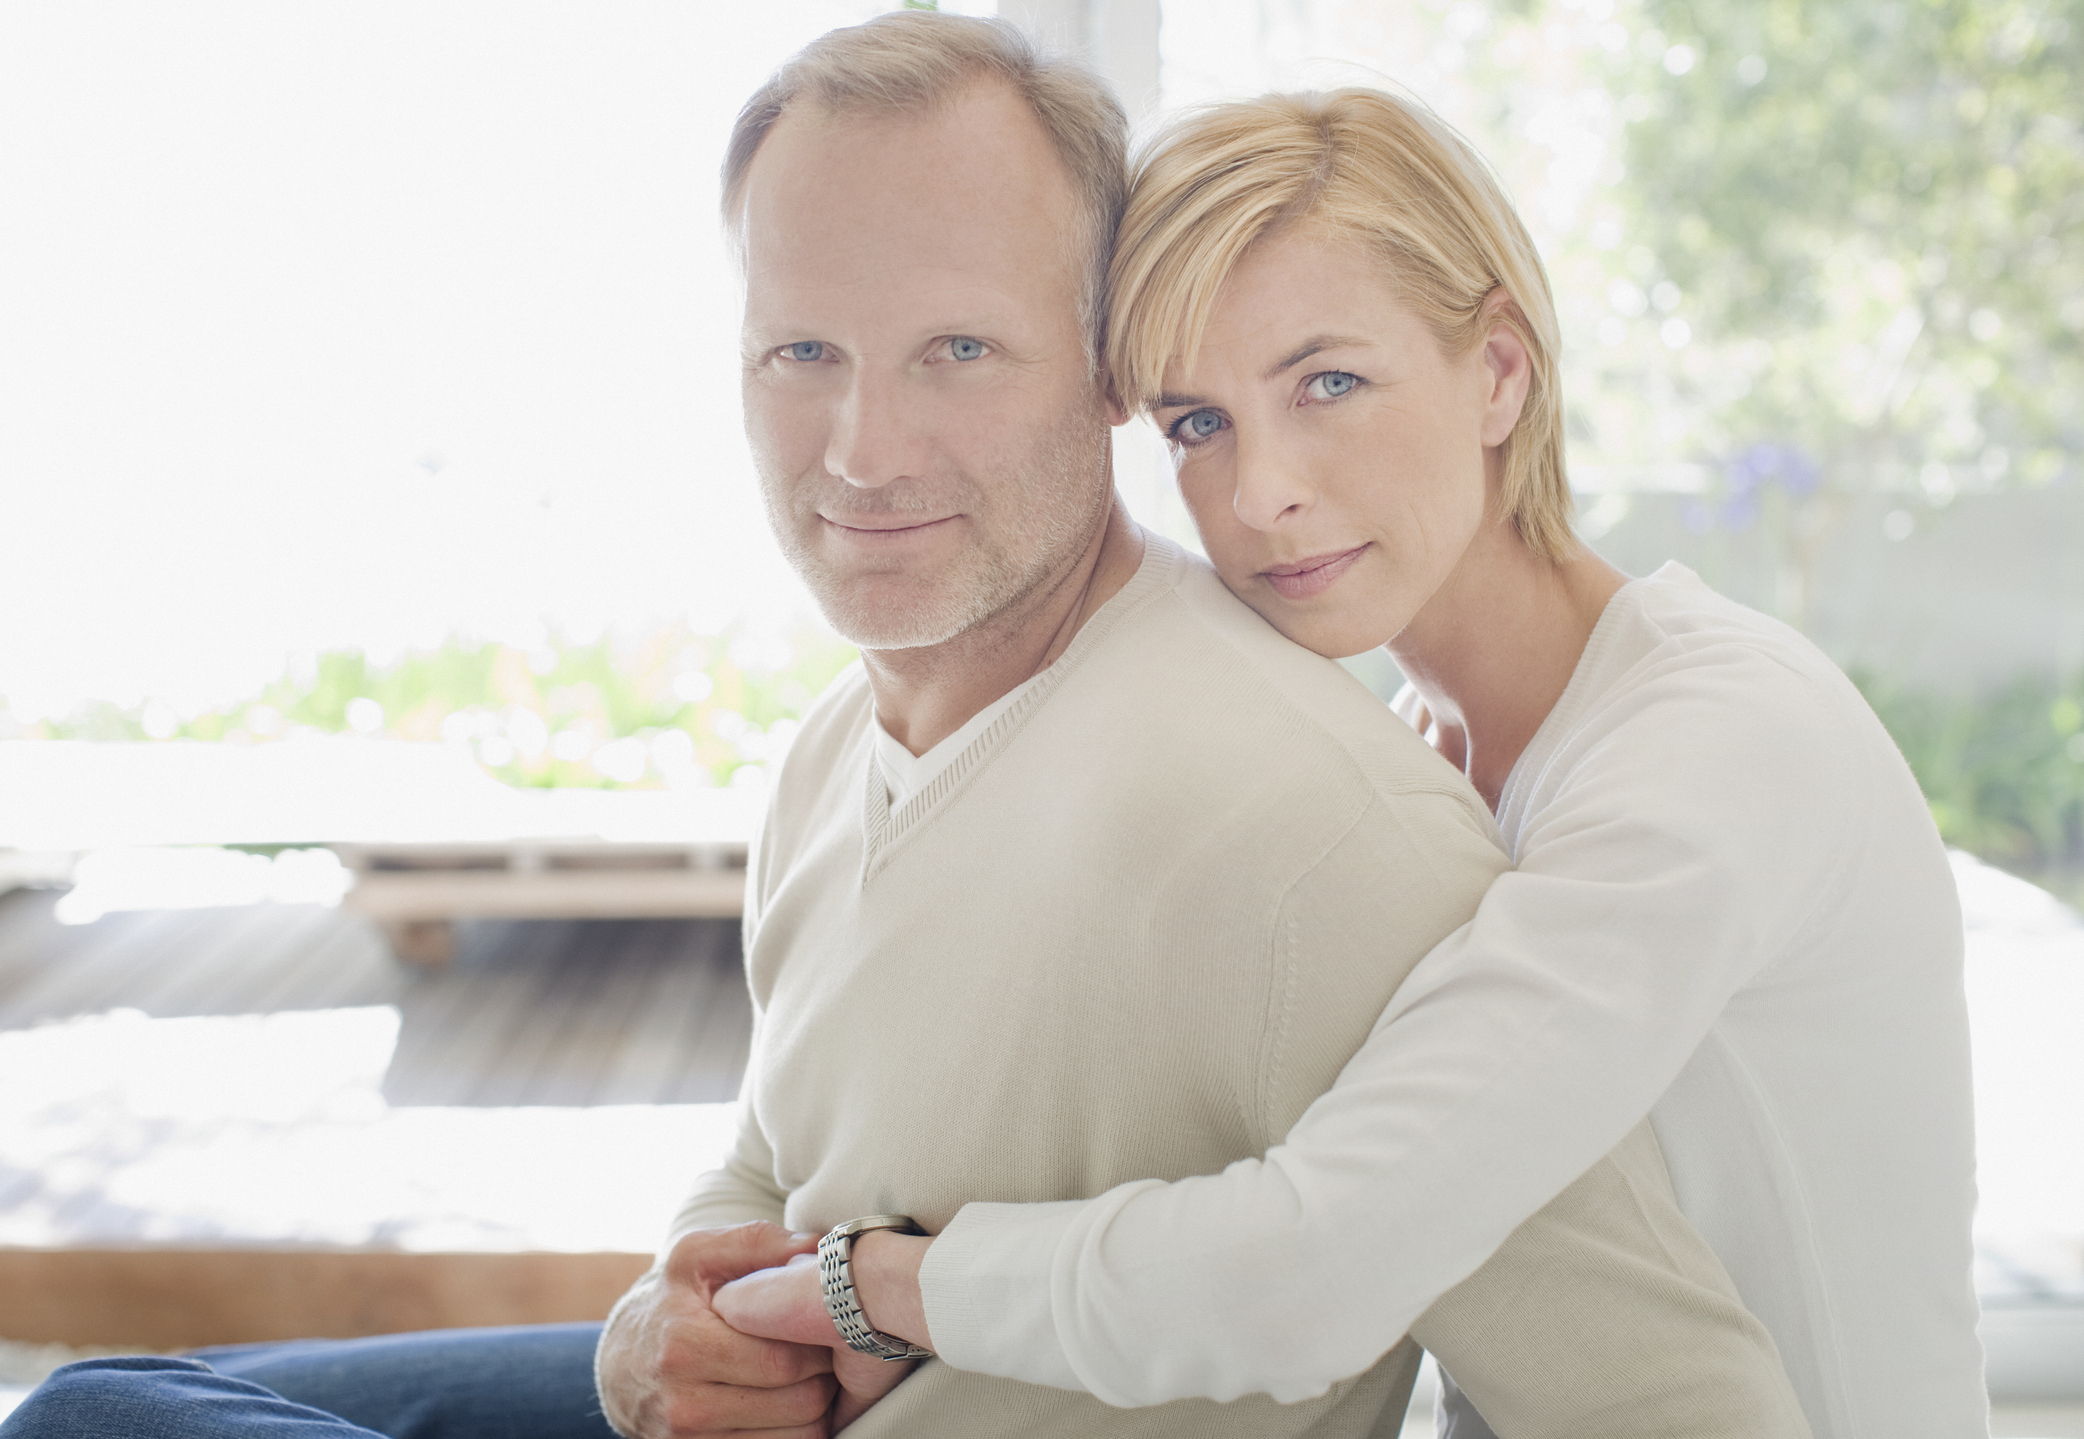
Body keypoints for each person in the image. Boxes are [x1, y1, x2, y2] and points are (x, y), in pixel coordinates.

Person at [0, 16, 1809, 1439]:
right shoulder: (830, 755)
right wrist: (657, 1329)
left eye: (959, 351)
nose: (863, 452)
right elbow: (778, 1162)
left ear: (1107, 373)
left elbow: (1675, 1405)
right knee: (112, 1404)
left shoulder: (1313, 835)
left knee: (97, 1426)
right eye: (803, 353)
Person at [715, 83, 1988, 1439]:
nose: (1261, 491)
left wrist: (872, 1286)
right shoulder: (1416, 743)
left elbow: (1314, 1268)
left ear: (1499, 372)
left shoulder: (1721, 742)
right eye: (1198, 422)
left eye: (1330, 384)